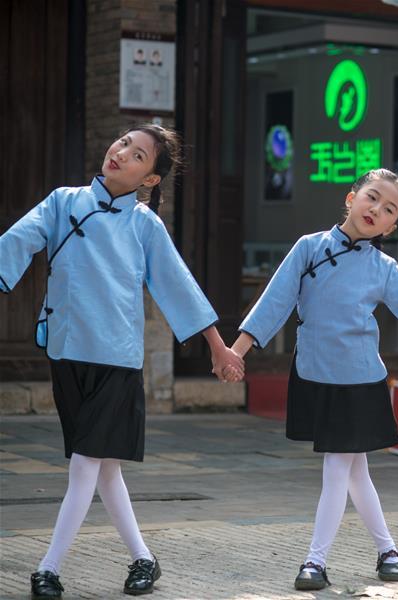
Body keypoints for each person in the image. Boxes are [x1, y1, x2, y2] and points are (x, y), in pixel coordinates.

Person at [228, 168, 398, 591]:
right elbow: (276, 299)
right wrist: (236, 352)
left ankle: (315, 560)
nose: (376, 209)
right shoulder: (308, 248)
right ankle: (388, 551)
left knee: (338, 466)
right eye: (372, 198)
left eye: (388, 209)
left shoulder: (384, 267)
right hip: (315, 373)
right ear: (351, 197)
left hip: (360, 379)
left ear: (392, 226)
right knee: (355, 470)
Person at [0, 124, 245, 599]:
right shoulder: (62, 201)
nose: (122, 153)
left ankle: (48, 568)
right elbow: (16, 241)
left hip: (116, 360)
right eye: (123, 143)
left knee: (86, 465)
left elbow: (179, 285)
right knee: (105, 468)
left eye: (138, 156)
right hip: (67, 353)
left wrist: (218, 346)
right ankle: (144, 560)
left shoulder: (144, 225)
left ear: (149, 180)